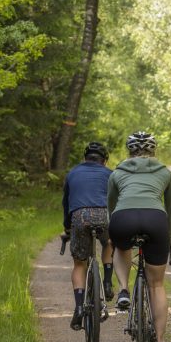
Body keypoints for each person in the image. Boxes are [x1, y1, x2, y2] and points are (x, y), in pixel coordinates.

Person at [108, 131, 171, 342]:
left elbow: (111, 205)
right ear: (153, 150)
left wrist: (115, 232)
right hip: (156, 220)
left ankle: (124, 290)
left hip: (123, 218)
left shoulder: (117, 173)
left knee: (120, 247)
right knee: (156, 284)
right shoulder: (166, 173)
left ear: (129, 151)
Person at [62, 141, 115, 331]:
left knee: (79, 263)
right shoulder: (110, 174)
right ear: (105, 161)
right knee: (109, 242)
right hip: (104, 215)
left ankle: (78, 307)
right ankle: (107, 282)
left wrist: (67, 228)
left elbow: (66, 205)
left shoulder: (72, 173)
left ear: (85, 158)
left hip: (80, 216)